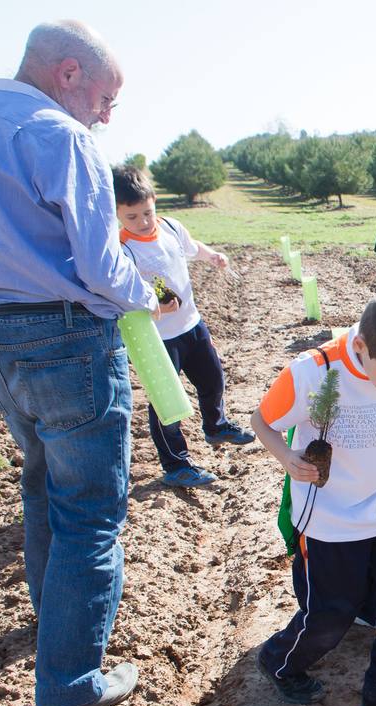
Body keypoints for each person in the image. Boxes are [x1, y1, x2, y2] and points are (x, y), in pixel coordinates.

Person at [0, 21, 157, 706]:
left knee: (41, 480)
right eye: (104, 95)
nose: (106, 113)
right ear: (68, 74)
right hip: (64, 336)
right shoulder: (61, 137)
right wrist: (146, 296)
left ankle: (52, 620)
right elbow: (98, 265)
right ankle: (70, 682)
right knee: (91, 507)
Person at [252, 292, 376, 706]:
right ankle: (279, 661)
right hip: (330, 519)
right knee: (330, 616)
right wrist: (287, 458)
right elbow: (262, 421)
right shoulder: (311, 372)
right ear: (360, 347)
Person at [113, 164, 256, 489]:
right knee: (167, 403)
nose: (143, 221)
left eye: (147, 212)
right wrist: (155, 305)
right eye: (132, 217)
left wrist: (212, 256)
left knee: (213, 377)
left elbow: (191, 248)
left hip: (191, 324)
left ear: (154, 203)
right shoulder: (123, 250)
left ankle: (216, 425)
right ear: (118, 214)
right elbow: (123, 294)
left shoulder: (172, 228)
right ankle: (176, 464)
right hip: (158, 338)